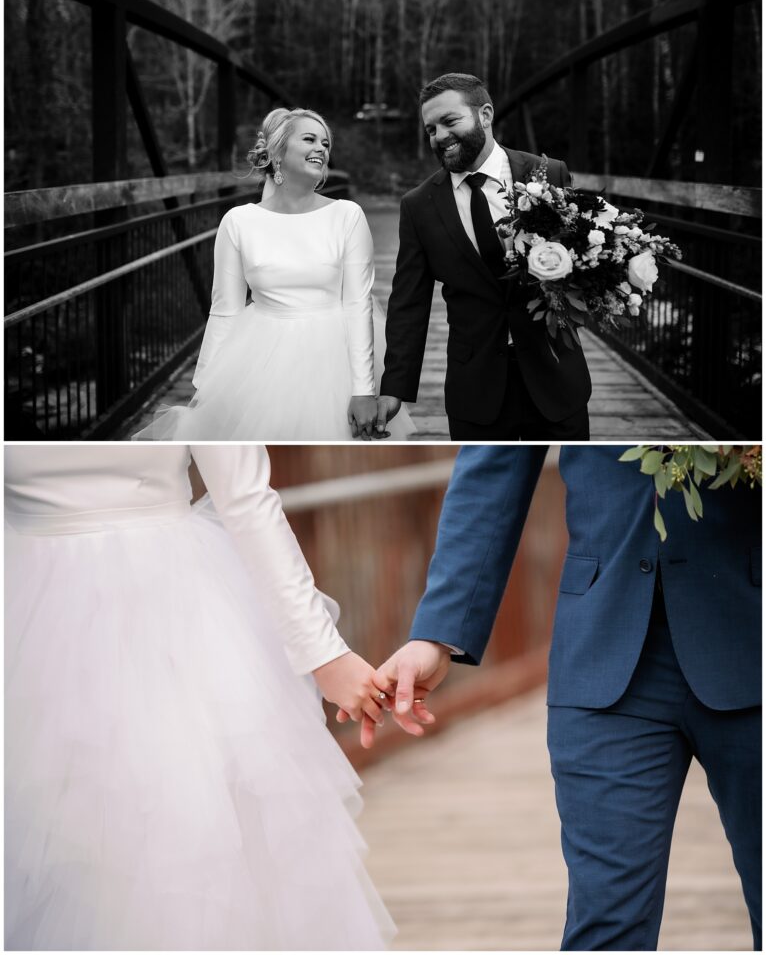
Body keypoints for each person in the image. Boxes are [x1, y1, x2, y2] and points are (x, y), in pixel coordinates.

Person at [5, 444, 395, 950]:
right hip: (34, 621)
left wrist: (324, 653)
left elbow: (247, 497)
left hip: (167, 619)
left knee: (185, 828)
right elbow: (247, 498)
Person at [372, 445, 761, 950]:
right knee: (605, 928)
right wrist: (438, 633)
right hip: (604, 652)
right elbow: (497, 459)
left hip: (753, 626)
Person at [135, 107, 413, 442]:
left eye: (325, 142)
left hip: (333, 359)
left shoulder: (346, 215)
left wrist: (364, 390)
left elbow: (357, 305)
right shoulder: (238, 222)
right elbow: (225, 310)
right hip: (261, 358)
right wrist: (203, 390)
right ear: (277, 151)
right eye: (309, 139)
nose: (322, 148)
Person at [376, 73, 591, 441]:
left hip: (555, 377)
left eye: (450, 121)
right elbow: (408, 302)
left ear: (485, 114)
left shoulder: (548, 174)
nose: (439, 136)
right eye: (430, 129)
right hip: (475, 389)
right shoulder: (419, 205)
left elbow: (583, 259)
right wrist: (394, 386)